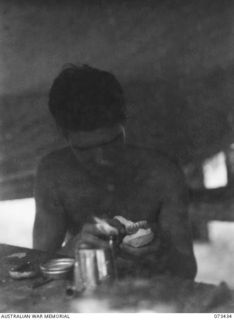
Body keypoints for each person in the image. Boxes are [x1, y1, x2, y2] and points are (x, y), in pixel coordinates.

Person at [33, 64, 197, 279]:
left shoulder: (162, 173)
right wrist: (72, 249)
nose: (102, 160)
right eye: (85, 150)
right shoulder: (53, 174)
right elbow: (37, 268)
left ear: (124, 122)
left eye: (112, 143)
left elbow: (187, 271)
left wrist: (162, 251)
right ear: (63, 135)